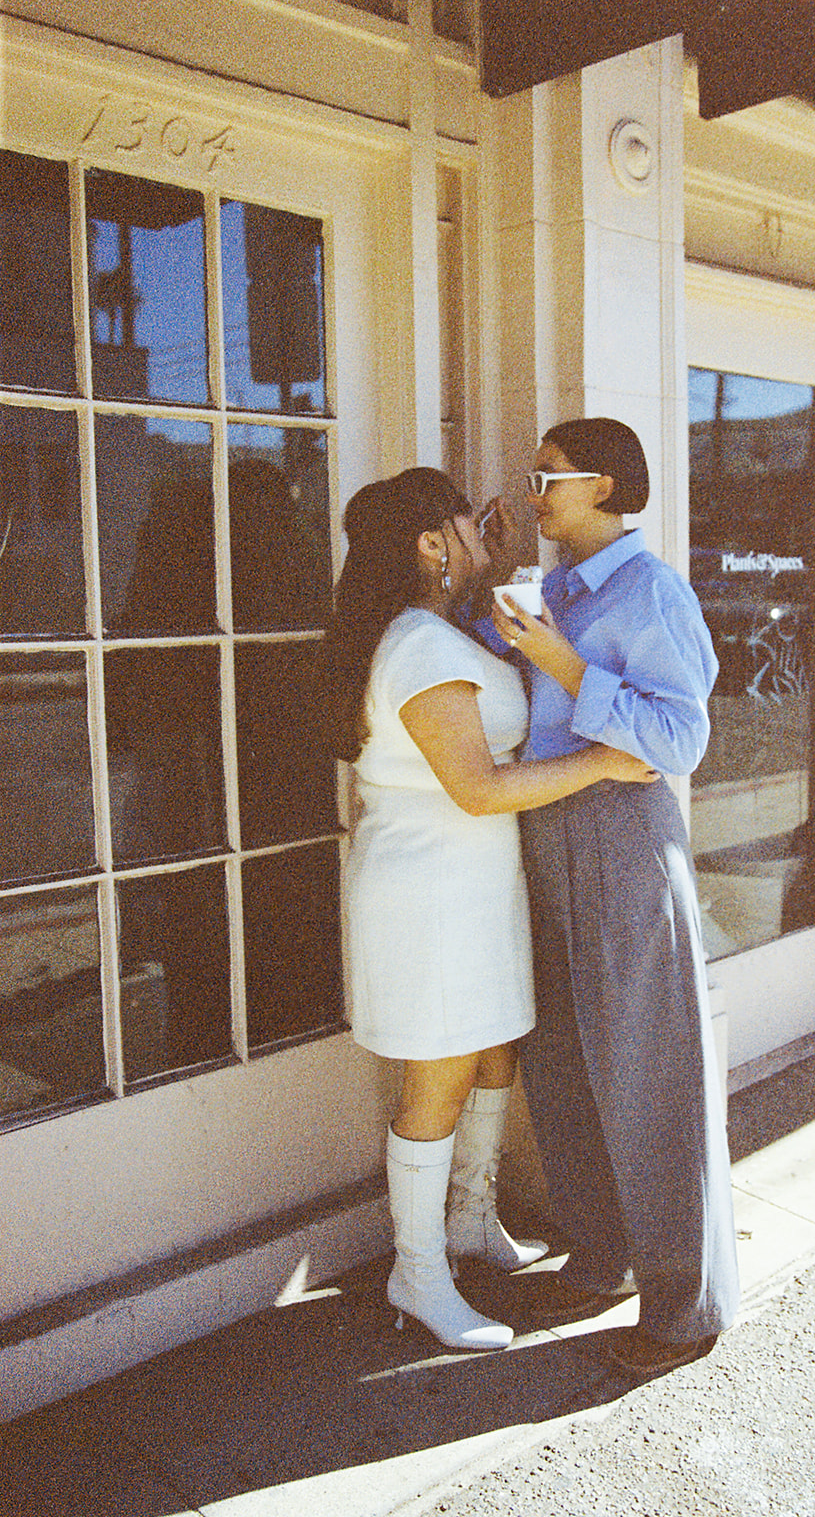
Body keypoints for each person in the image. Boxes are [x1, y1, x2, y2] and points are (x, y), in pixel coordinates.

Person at [316, 467, 657, 1353]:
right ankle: (418, 1273)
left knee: (494, 1044)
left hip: (474, 884)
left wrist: (492, 563)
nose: (486, 526)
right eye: (467, 522)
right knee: (439, 1072)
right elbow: (474, 786)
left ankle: (470, 1220)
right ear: (431, 544)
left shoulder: (439, 630)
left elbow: (500, 653)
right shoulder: (420, 646)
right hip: (429, 893)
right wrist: (603, 763)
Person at [489, 417, 740, 1379]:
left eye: (545, 476)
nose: (531, 489)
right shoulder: (548, 589)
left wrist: (562, 663)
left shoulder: (652, 591)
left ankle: (687, 1306)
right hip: (541, 833)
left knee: (649, 1074)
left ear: (603, 487)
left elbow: (675, 745)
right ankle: (601, 1261)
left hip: (624, 844)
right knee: (562, 1061)